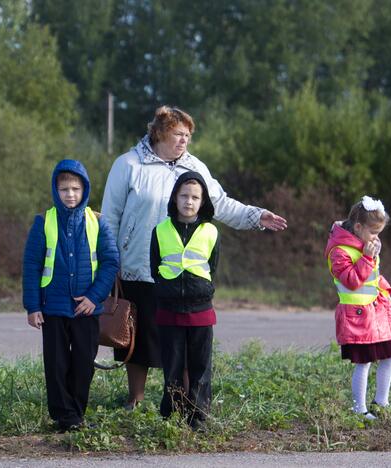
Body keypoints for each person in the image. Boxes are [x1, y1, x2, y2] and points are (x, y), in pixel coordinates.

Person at [101, 105, 287, 409]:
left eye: (188, 135)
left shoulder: (195, 168)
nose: (184, 140)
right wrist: (111, 262)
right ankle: (135, 399)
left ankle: (183, 400)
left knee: (183, 341)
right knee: (138, 339)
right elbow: (110, 217)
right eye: (178, 134)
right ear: (160, 133)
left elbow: (221, 204)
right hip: (136, 266)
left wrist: (256, 216)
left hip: (184, 274)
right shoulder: (128, 165)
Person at [22, 159, 120, 432]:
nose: (70, 194)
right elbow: (31, 266)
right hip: (52, 308)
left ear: (85, 189)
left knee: (82, 364)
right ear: (55, 190)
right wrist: (32, 306)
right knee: (55, 364)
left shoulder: (99, 222)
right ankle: (64, 416)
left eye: (76, 189)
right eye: (64, 189)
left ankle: (76, 412)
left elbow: (111, 262)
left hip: (86, 309)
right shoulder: (43, 221)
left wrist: (94, 297)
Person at [150, 171, 218, 430]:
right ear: (175, 198)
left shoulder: (211, 231)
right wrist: (164, 289)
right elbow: (154, 266)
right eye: (184, 196)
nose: (189, 201)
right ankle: (172, 415)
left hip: (200, 309)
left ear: (202, 202)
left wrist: (203, 289)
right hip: (169, 309)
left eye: (195, 197)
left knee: (200, 367)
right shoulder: (160, 231)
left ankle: (198, 417)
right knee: (173, 366)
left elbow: (213, 266)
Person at [324, 196, 391, 420]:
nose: (377, 238)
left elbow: (373, 276)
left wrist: (385, 289)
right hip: (357, 318)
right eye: (374, 233)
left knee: (389, 356)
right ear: (358, 227)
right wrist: (367, 257)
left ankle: (381, 402)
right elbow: (352, 280)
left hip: (377, 312)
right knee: (364, 362)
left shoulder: (365, 245)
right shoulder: (339, 251)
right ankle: (360, 410)